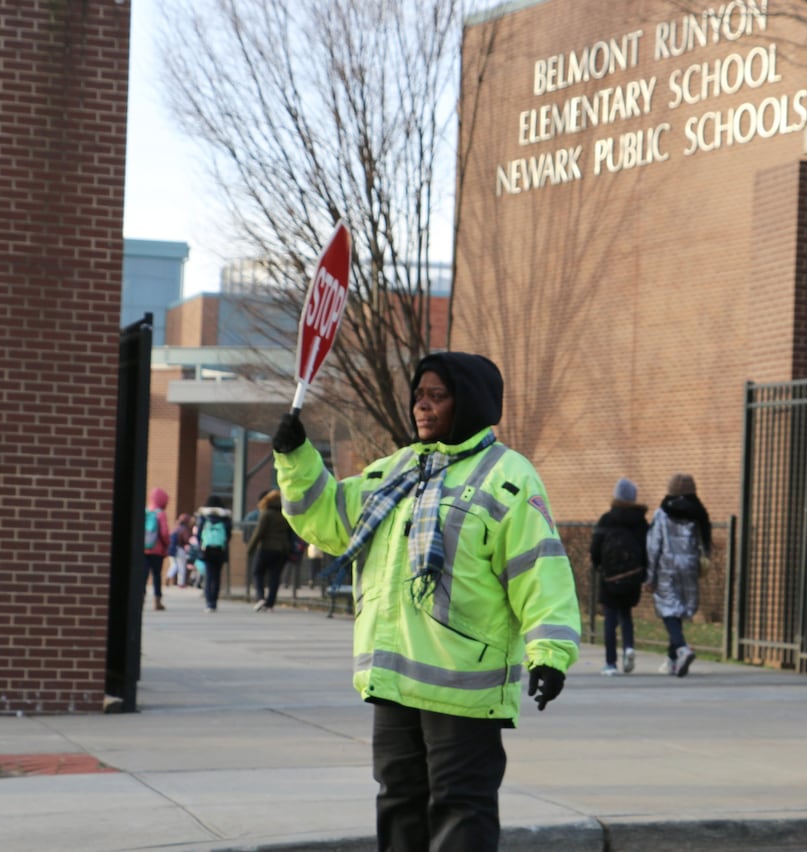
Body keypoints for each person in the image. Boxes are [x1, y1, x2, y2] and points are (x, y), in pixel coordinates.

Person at [270, 351, 580, 852]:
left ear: (470, 402)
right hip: (394, 682)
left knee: (462, 809)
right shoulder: (394, 471)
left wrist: (550, 654)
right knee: (398, 803)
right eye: (419, 395)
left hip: (462, 686)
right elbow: (325, 519)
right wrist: (297, 459)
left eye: (438, 396)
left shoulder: (509, 477)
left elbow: (539, 570)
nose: (423, 406)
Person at [646, 473, 710, 678]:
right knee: (679, 608)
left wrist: (650, 576)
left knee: (668, 609)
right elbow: (705, 543)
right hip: (689, 565)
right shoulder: (698, 514)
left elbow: (654, 545)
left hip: (667, 566)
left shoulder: (662, 513)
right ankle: (673, 660)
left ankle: (682, 648)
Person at [589, 477, 648, 676]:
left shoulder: (607, 519)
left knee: (610, 619)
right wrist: (644, 572)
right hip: (633, 576)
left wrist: (599, 565)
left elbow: (595, 547)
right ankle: (629, 647)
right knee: (626, 614)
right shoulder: (640, 521)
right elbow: (646, 548)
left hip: (610, 577)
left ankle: (611, 663)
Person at [245, 489, 294, 611]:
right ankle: (270, 604)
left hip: (266, 548)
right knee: (275, 576)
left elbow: (259, 532)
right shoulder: (286, 514)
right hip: (282, 549)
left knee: (257, 572)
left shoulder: (266, 513)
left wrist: (250, 548)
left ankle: (260, 597)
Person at [195, 494, 234, 612]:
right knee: (217, 577)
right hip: (220, 550)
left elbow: (198, 534)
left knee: (209, 576)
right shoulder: (225, 518)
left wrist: (202, 544)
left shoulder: (204, 517)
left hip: (207, 550)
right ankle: (214, 602)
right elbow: (228, 535)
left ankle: (208, 603)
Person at [142, 487, 170, 611]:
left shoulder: (146, 511)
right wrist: (167, 544)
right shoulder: (160, 513)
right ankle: (157, 601)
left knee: (143, 575)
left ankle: (140, 599)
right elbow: (164, 533)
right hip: (157, 550)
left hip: (144, 549)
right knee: (157, 575)